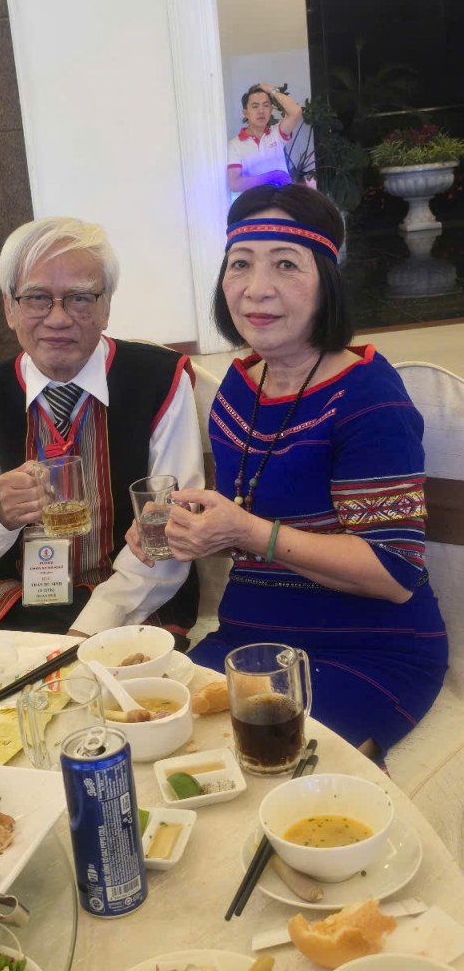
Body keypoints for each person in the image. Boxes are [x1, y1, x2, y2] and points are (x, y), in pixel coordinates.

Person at [128, 184, 448, 758]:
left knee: (268, 770)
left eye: (285, 264)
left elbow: (395, 572)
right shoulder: (238, 389)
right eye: (240, 264)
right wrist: (190, 530)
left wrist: (247, 532)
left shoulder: (369, 398)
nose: (257, 288)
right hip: (248, 640)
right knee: (149, 744)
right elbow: (246, 515)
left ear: (327, 281)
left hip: (366, 649)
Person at [0, 217, 204, 642]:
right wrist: (2, 513)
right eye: (37, 298)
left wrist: (90, 628)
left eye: (80, 298)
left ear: (106, 306)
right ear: (9, 308)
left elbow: (170, 530)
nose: (58, 318)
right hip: (15, 595)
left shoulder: (159, 381)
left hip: (134, 597)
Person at [227, 83, 303, 196]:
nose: (261, 111)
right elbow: (234, 184)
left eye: (266, 105)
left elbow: (296, 112)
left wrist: (271, 90)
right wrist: (272, 177)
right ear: (245, 113)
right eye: (255, 106)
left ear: (271, 110)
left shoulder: (276, 133)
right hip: (254, 204)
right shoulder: (235, 145)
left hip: (282, 201)